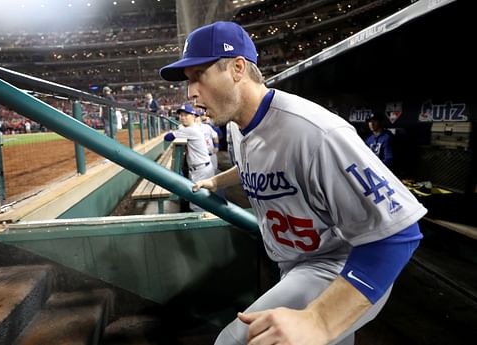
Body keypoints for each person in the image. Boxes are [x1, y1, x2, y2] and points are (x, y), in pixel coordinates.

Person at [160, 21, 427, 345]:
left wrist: (320, 319)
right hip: (300, 262)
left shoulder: (314, 132)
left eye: (198, 76)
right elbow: (254, 168)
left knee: (233, 341)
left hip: (342, 267)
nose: (191, 92)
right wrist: (217, 181)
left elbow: (401, 232)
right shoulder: (237, 125)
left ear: (237, 68)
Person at [164, 103, 214, 212]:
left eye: (186, 115)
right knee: (203, 202)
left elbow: (167, 137)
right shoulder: (193, 127)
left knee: (198, 205)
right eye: (181, 115)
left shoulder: (191, 129)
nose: (182, 117)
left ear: (193, 116)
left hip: (201, 170)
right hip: (201, 167)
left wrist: (177, 129)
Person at [194, 106, 220, 172]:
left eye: (197, 117)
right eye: (194, 117)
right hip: (200, 158)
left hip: (211, 155)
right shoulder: (191, 129)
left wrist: (216, 146)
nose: (196, 119)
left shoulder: (207, 127)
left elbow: (215, 136)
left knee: (214, 172)